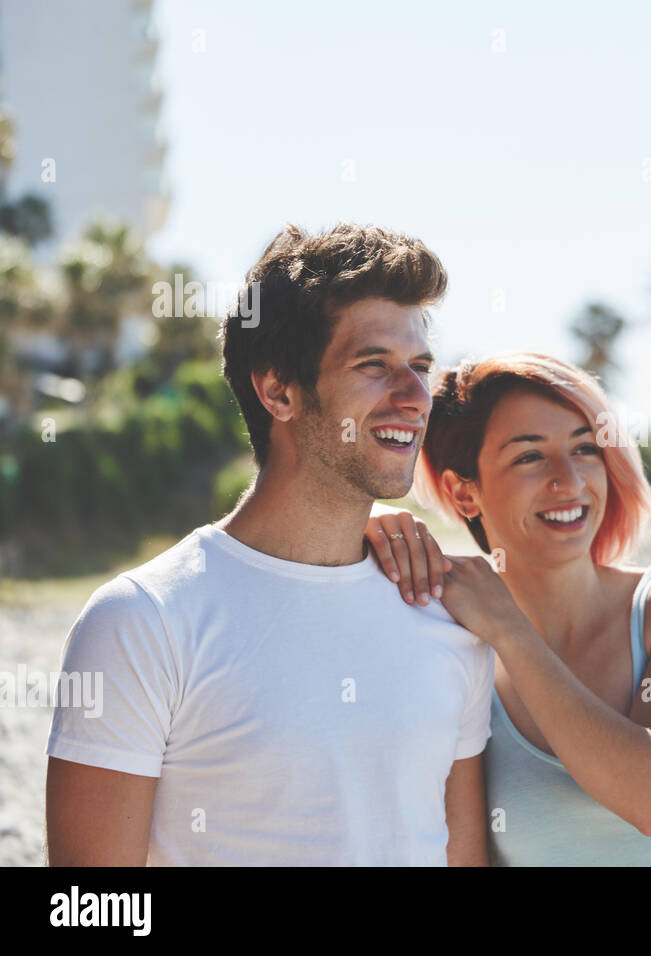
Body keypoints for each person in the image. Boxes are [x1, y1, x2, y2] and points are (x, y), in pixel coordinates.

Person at [44, 222, 493, 866]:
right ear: (278, 389)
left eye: (421, 368)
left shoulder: (448, 612)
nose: (416, 397)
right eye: (374, 365)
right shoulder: (143, 620)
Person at [364, 353, 651, 865]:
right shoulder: (457, 656)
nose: (570, 481)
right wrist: (368, 518)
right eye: (529, 457)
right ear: (462, 492)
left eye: (585, 448)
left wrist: (512, 633)